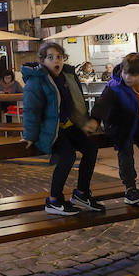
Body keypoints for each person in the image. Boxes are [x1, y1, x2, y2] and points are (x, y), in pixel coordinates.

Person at [24, 42, 103, 216]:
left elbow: (76, 102)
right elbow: (31, 110)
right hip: (50, 130)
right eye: (50, 57)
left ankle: (82, 193)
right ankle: (54, 200)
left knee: (91, 148)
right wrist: (30, 135)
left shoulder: (68, 76)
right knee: (68, 156)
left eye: (59, 57)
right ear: (42, 61)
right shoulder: (36, 80)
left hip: (69, 126)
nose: (56, 61)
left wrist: (85, 121)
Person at [88, 52, 139, 207]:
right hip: (120, 124)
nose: (127, 77)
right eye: (126, 73)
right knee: (126, 153)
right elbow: (102, 104)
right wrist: (95, 120)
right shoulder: (115, 86)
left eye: (133, 75)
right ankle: (130, 189)